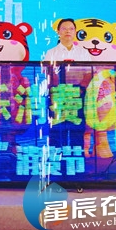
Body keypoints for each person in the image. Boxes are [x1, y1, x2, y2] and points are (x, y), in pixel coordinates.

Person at [43, 18, 92, 150]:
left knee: (77, 129)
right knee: (57, 130)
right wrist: (58, 89)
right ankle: (57, 158)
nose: (68, 31)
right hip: (58, 96)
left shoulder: (83, 52)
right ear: (58, 32)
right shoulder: (51, 52)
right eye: (64, 29)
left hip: (77, 96)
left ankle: (76, 158)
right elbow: (48, 73)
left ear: (75, 32)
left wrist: (80, 89)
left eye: (71, 29)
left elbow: (89, 74)